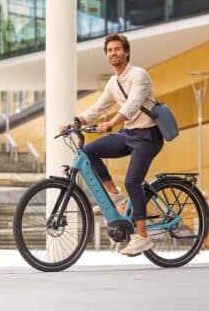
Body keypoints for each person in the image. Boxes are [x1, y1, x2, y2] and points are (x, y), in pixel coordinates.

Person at [60, 33, 163, 256]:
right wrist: (74, 122)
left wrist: (111, 123)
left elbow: (133, 106)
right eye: (109, 50)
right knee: (89, 150)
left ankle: (142, 237)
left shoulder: (139, 75)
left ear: (126, 52)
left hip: (147, 136)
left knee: (133, 181)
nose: (113, 53)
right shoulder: (113, 82)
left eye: (117, 49)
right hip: (129, 134)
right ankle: (115, 196)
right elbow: (98, 107)